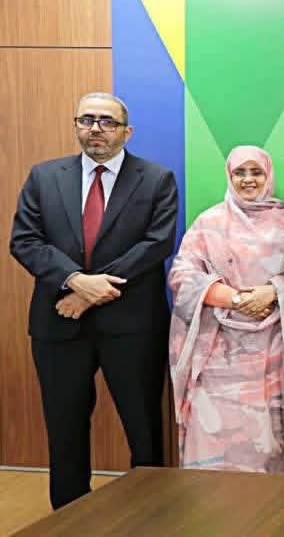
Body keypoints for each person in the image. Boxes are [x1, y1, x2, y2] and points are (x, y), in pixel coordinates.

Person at [9, 92, 178, 509]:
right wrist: (75, 280)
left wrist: (85, 295)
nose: (96, 129)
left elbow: (156, 244)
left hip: (132, 326)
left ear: (126, 131)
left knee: (143, 428)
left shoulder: (156, 179)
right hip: (58, 324)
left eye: (107, 121)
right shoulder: (44, 177)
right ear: (76, 126)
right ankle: (69, 516)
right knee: (64, 427)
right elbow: (25, 241)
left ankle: (150, 515)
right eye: (86, 120)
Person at [167, 145, 284, 473]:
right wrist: (233, 298)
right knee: (211, 437)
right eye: (240, 172)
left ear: (268, 175)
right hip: (216, 353)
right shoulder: (210, 222)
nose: (248, 179)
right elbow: (181, 275)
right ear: (229, 175)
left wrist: (272, 291)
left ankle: (266, 504)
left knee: (266, 443)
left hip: (272, 352)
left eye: (256, 172)